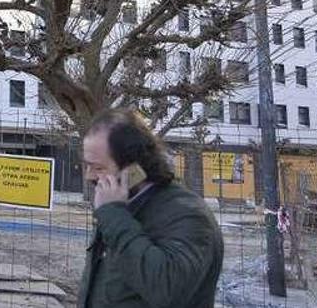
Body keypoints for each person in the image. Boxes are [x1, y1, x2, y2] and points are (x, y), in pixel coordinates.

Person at [77, 108, 224, 307]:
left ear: (133, 169)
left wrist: (114, 217)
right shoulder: (123, 206)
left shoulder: (188, 215)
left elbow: (167, 289)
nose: (89, 176)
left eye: (99, 168)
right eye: (87, 165)